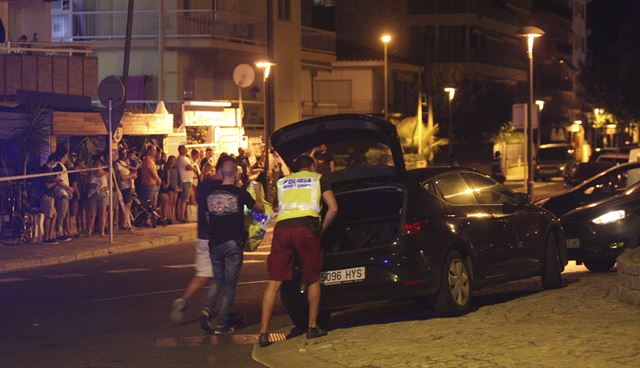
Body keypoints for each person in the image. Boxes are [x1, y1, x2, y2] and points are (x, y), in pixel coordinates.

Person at [258, 155, 338, 347]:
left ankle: (263, 333)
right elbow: (334, 208)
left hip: (283, 229)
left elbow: (279, 207)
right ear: (311, 166)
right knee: (312, 278)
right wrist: (320, 229)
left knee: (273, 281)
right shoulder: (317, 179)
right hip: (306, 228)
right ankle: (312, 327)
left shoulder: (283, 182)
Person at [199, 159, 264, 334]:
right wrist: (258, 194)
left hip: (214, 244)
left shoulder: (211, 194)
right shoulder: (240, 193)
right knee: (230, 285)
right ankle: (222, 324)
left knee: (218, 280)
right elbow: (259, 211)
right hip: (233, 244)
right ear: (236, 174)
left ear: (221, 172)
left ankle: (206, 309)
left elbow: (207, 218)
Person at [170, 155, 227, 325]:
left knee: (202, 274)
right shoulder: (222, 188)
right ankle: (208, 309)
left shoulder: (204, 185)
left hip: (202, 236)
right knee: (220, 276)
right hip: (216, 237)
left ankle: (184, 299)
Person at [52, 148, 74, 241]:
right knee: (61, 215)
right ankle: (59, 233)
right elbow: (58, 180)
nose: (67, 158)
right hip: (61, 194)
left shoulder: (62, 166)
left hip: (65, 193)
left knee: (64, 214)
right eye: (66, 156)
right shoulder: (58, 166)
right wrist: (68, 188)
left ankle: (63, 232)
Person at [114, 148, 136, 230]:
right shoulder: (117, 164)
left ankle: (126, 222)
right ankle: (123, 224)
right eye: (122, 153)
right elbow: (121, 177)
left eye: (125, 153)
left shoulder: (127, 162)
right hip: (124, 187)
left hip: (130, 186)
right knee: (125, 206)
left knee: (128, 205)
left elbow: (133, 172)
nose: (124, 155)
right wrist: (130, 176)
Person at [40, 154, 60, 244]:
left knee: (54, 215)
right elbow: (47, 186)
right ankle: (46, 238)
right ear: (52, 161)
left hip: (51, 196)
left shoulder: (50, 170)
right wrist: (56, 182)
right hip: (47, 196)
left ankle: (50, 235)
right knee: (48, 217)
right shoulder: (45, 170)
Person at [87, 156, 109, 237]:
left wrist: (104, 188)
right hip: (93, 194)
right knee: (92, 214)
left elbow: (111, 185)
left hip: (103, 195)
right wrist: (92, 185)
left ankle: (102, 231)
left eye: (98, 164)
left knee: (102, 214)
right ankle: (89, 231)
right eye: (95, 164)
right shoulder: (91, 174)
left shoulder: (106, 174)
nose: (97, 166)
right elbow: (88, 184)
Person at [69, 157, 88, 235]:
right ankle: (74, 228)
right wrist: (77, 193)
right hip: (76, 194)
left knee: (79, 211)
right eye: (82, 163)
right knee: (74, 211)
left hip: (79, 193)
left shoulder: (78, 172)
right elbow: (74, 184)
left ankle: (79, 227)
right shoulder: (75, 172)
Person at [176, 145, 195, 222]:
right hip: (185, 180)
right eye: (184, 149)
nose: (186, 150)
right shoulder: (181, 158)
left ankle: (182, 215)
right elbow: (189, 167)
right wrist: (193, 167)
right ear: (180, 150)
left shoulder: (187, 158)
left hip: (189, 179)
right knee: (184, 199)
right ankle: (182, 217)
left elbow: (191, 165)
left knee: (183, 199)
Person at [140, 145, 162, 210]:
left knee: (153, 204)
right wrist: (158, 179)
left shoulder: (151, 160)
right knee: (151, 204)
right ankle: (150, 219)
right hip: (150, 184)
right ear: (149, 151)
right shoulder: (147, 160)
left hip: (152, 184)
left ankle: (152, 219)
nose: (155, 152)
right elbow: (152, 172)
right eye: (154, 150)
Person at [165, 155, 180, 223]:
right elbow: (168, 179)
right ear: (169, 160)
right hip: (171, 188)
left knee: (174, 204)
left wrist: (179, 186)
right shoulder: (167, 169)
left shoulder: (176, 169)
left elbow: (178, 178)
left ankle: (173, 218)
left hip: (176, 187)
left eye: (174, 160)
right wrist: (173, 187)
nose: (173, 161)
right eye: (172, 160)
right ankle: (170, 218)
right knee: (170, 203)